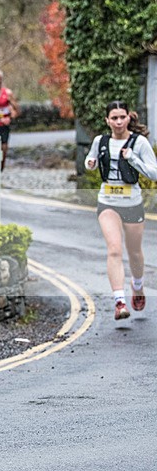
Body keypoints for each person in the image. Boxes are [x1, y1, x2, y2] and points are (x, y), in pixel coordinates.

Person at [84, 101, 157, 320]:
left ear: (128, 118)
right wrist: (91, 162)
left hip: (132, 202)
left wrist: (132, 159)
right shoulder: (101, 141)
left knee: (134, 252)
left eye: (121, 117)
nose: (118, 122)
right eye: (113, 118)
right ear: (107, 120)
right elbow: (91, 158)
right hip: (108, 201)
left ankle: (137, 285)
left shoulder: (139, 142)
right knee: (114, 249)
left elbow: (154, 174)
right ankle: (120, 301)